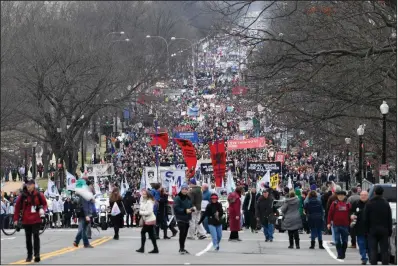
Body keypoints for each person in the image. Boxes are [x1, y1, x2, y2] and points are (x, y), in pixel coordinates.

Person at [13, 180, 47, 262]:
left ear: (34, 185)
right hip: (26, 220)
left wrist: (43, 210)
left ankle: (37, 254)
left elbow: (45, 204)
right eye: (27, 184)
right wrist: (16, 220)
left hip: (36, 219)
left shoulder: (39, 194)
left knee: (36, 236)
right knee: (28, 238)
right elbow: (17, 208)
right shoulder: (22, 196)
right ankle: (29, 255)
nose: (28, 186)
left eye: (30, 184)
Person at [364, 186, 392, 265]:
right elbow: (389, 218)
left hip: (372, 229)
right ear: (382, 193)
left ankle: (373, 263)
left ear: (374, 192)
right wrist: (389, 230)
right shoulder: (386, 203)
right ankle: (385, 263)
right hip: (384, 230)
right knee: (384, 250)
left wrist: (366, 230)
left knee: (373, 249)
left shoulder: (369, 203)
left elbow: (365, 218)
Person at [327, 189, 350, 259]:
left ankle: (343, 252)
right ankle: (339, 254)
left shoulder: (347, 204)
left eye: (342, 195)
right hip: (336, 225)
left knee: (345, 241)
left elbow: (350, 213)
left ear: (344, 196)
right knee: (337, 240)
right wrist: (328, 223)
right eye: (339, 195)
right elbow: (330, 213)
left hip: (345, 225)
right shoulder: (334, 203)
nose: (340, 197)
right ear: (337, 196)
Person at [136, 189, 158, 253]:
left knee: (143, 232)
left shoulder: (149, 202)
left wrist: (141, 212)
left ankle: (142, 248)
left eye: (145, 194)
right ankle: (155, 248)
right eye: (143, 194)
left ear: (148, 194)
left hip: (150, 219)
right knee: (151, 235)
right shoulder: (143, 201)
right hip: (147, 219)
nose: (143, 195)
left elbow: (149, 212)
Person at [350, 191, 369, 265]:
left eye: (365, 195)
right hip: (359, 227)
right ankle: (364, 258)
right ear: (359, 195)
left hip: (369, 228)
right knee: (361, 243)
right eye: (362, 195)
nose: (363, 196)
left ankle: (369, 255)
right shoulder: (356, 203)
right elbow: (351, 212)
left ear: (367, 196)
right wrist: (351, 215)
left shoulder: (370, 203)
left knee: (369, 244)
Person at [173, 184, 193, 254]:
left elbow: (190, 205)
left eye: (186, 189)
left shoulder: (188, 197)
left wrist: (192, 209)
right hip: (180, 217)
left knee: (185, 234)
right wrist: (184, 210)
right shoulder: (178, 197)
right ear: (181, 190)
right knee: (182, 232)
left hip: (187, 218)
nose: (184, 190)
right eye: (183, 189)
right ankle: (181, 248)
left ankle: (182, 248)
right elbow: (176, 208)